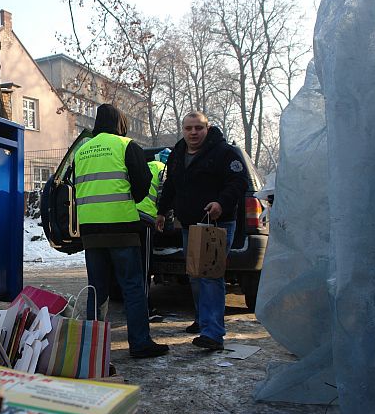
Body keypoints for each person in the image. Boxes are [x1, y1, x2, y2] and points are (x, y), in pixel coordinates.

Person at [75, 104, 169, 358]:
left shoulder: (81, 151)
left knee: (97, 289)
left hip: (91, 233)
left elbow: (76, 188)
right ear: (121, 122)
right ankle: (139, 343)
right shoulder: (126, 146)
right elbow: (141, 188)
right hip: (122, 230)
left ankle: (93, 348)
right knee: (132, 287)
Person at [155, 112, 248, 351]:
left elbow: (239, 183)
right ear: (183, 130)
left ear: (207, 128)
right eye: (188, 128)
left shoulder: (224, 153)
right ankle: (203, 320)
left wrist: (221, 203)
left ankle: (213, 333)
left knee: (209, 275)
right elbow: (171, 185)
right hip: (190, 225)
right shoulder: (177, 153)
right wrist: (162, 211)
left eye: (198, 128)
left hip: (216, 224)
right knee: (196, 274)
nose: (193, 132)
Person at [136, 149, 170, 322]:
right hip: (147, 220)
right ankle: (145, 309)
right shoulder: (164, 170)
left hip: (130, 216)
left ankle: (135, 307)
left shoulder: (147, 165)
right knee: (145, 267)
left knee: (134, 266)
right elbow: (165, 197)